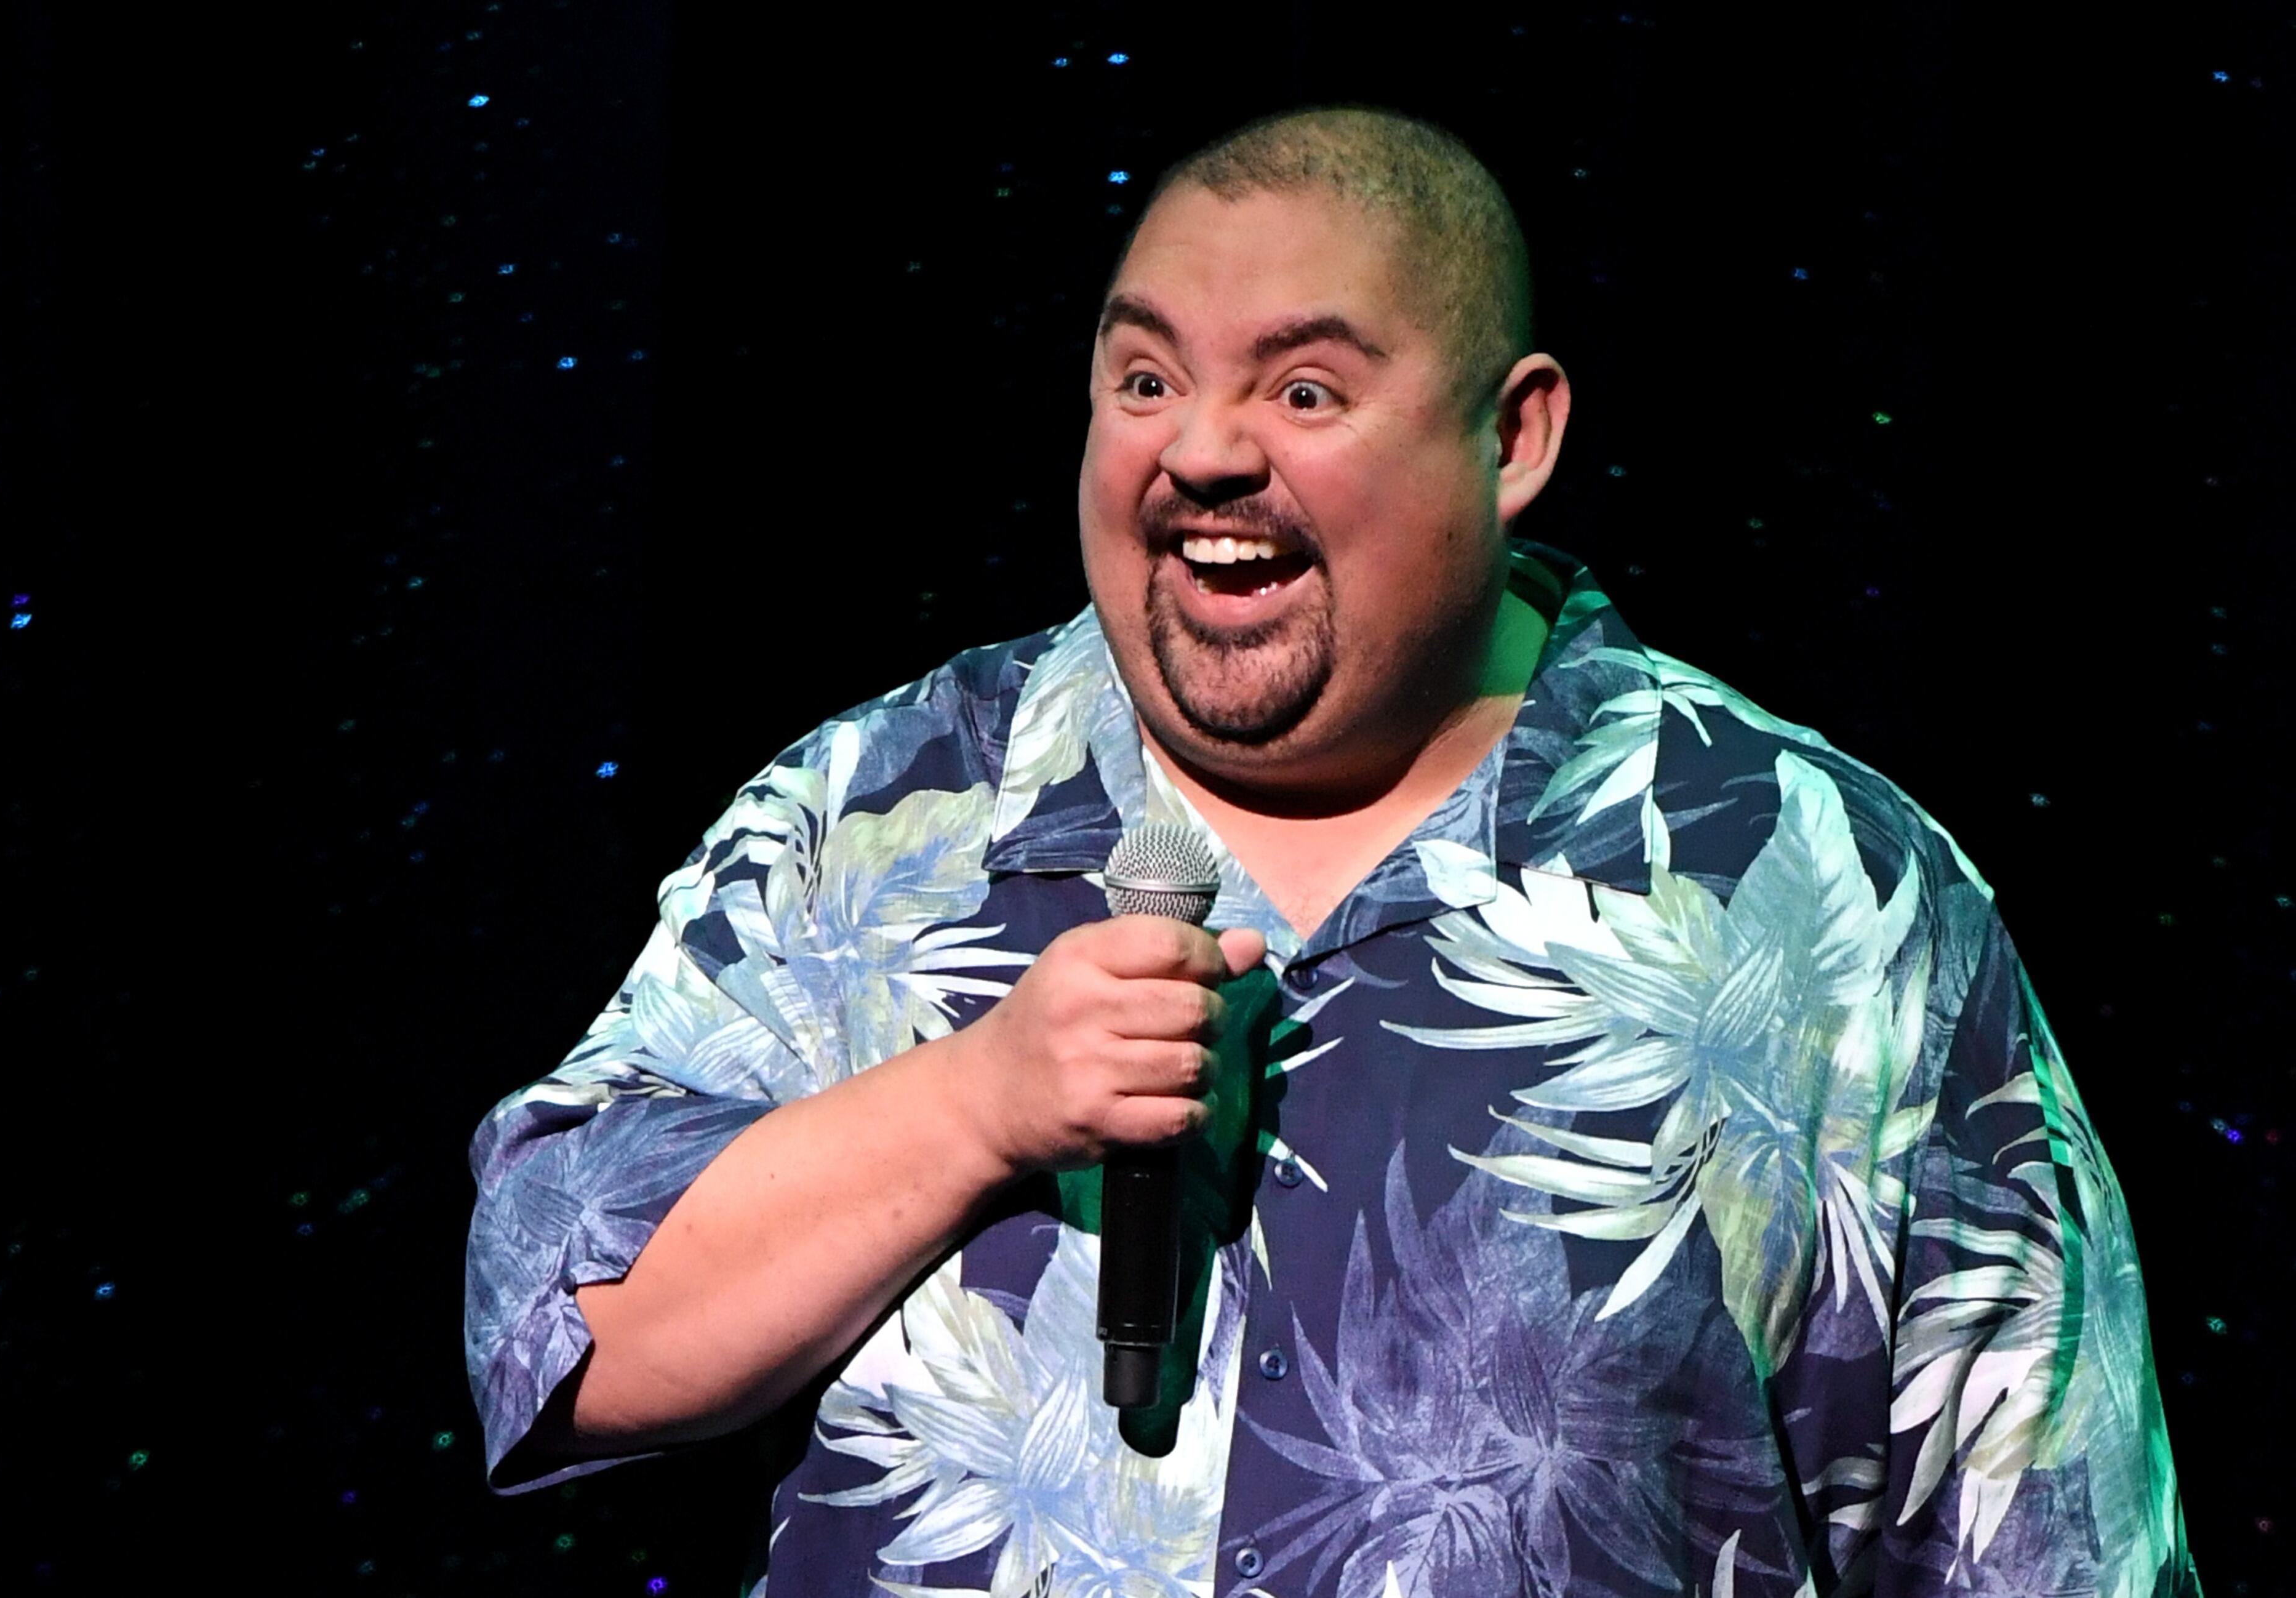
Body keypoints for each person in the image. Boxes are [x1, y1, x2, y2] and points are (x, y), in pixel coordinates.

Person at [465, 107, 2199, 1597]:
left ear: (1512, 436)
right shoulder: (886, 820)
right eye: (1145, 377)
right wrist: (976, 1103)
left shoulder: (1822, 898)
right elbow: (564, 1342)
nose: (1204, 450)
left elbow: (2047, 1539)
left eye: (1303, 387)